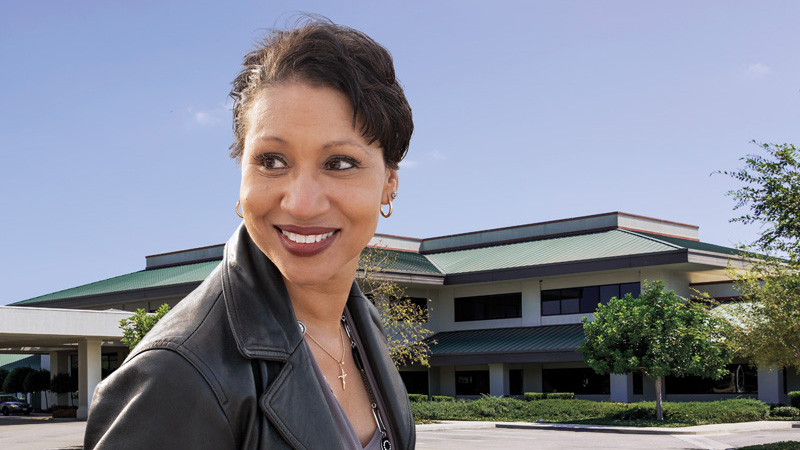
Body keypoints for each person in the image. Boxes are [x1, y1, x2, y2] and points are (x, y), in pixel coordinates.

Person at [84, 18, 415, 450]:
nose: (301, 203)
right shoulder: (178, 374)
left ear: (389, 181)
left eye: (339, 163)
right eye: (272, 161)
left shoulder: (363, 323)